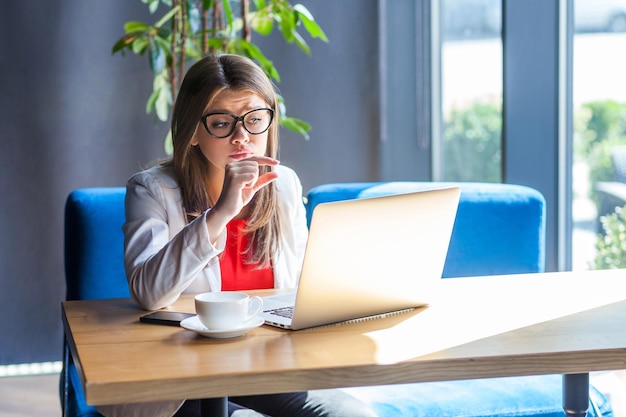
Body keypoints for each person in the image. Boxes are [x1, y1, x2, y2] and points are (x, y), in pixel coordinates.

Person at [96, 54, 377, 417]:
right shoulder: (152, 190)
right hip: (184, 378)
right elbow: (149, 293)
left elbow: (304, 286)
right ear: (193, 132)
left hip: (268, 367)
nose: (242, 135)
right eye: (221, 123)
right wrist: (221, 212)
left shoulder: (284, 185)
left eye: (254, 119)